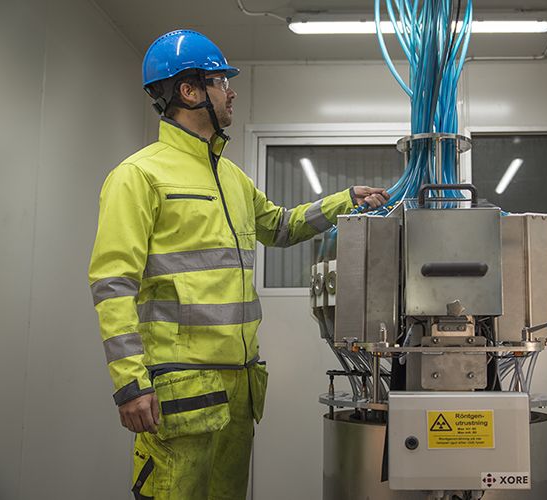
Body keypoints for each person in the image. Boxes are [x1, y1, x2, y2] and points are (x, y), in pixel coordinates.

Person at [88, 29, 389, 499]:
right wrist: (130, 384)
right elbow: (113, 284)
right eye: (220, 81)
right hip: (180, 388)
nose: (231, 92)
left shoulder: (232, 176)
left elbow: (282, 226)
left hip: (239, 387)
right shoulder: (138, 175)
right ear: (189, 92)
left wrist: (344, 200)